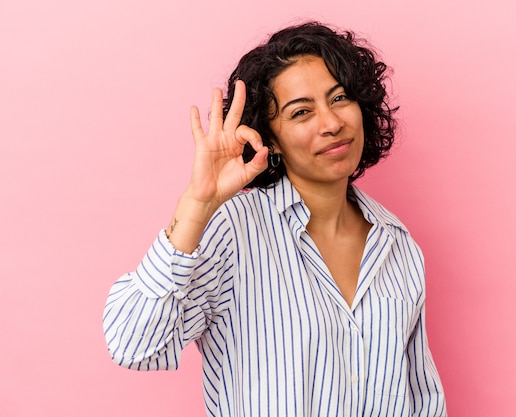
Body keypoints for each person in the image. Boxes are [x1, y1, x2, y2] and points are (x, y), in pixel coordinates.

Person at [103, 21, 447, 416]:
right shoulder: (232, 231)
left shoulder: (398, 245)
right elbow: (133, 345)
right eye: (301, 112)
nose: (332, 123)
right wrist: (197, 204)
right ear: (271, 139)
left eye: (339, 98)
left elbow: (423, 401)